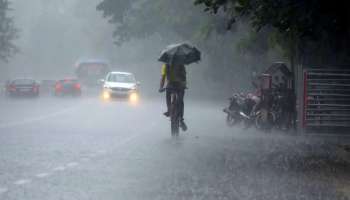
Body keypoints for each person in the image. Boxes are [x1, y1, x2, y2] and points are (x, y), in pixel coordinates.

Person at [159, 63, 187, 131]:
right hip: (179, 86)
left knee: (168, 95)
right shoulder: (181, 64)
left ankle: (169, 110)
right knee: (180, 100)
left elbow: (163, 77)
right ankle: (181, 119)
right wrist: (184, 84)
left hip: (171, 85)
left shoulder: (166, 65)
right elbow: (184, 77)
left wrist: (161, 87)